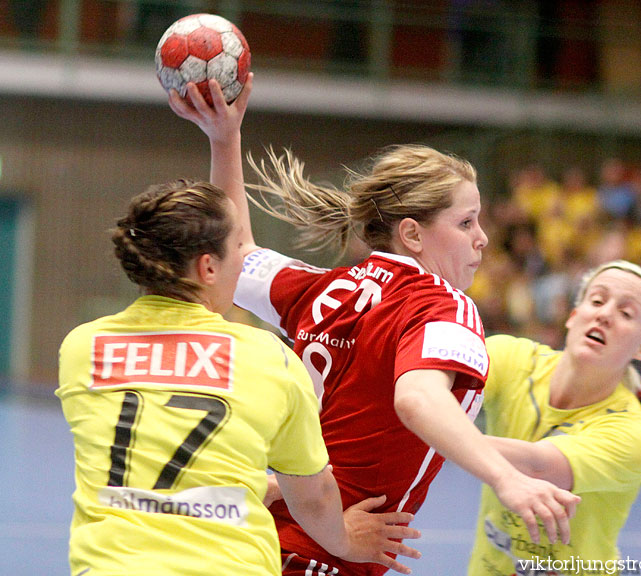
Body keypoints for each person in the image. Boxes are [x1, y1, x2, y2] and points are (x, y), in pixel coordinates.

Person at [168, 76, 579, 576]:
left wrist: (224, 138)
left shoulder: (326, 288)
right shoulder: (442, 305)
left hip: (253, 540)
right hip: (331, 554)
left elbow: (237, 253)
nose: (483, 240)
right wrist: (505, 479)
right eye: (467, 222)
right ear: (412, 233)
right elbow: (417, 399)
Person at [56, 180, 422, 576]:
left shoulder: (83, 348)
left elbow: (157, 469)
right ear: (208, 267)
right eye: (237, 251)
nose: (244, 263)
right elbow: (314, 499)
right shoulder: (268, 358)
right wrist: (347, 541)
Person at [468, 260, 641, 576]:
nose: (605, 314)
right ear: (574, 317)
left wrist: (433, 429)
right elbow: (434, 391)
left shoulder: (636, 436)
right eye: (597, 301)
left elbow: (538, 467)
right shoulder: (510, 358)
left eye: (626, 313)